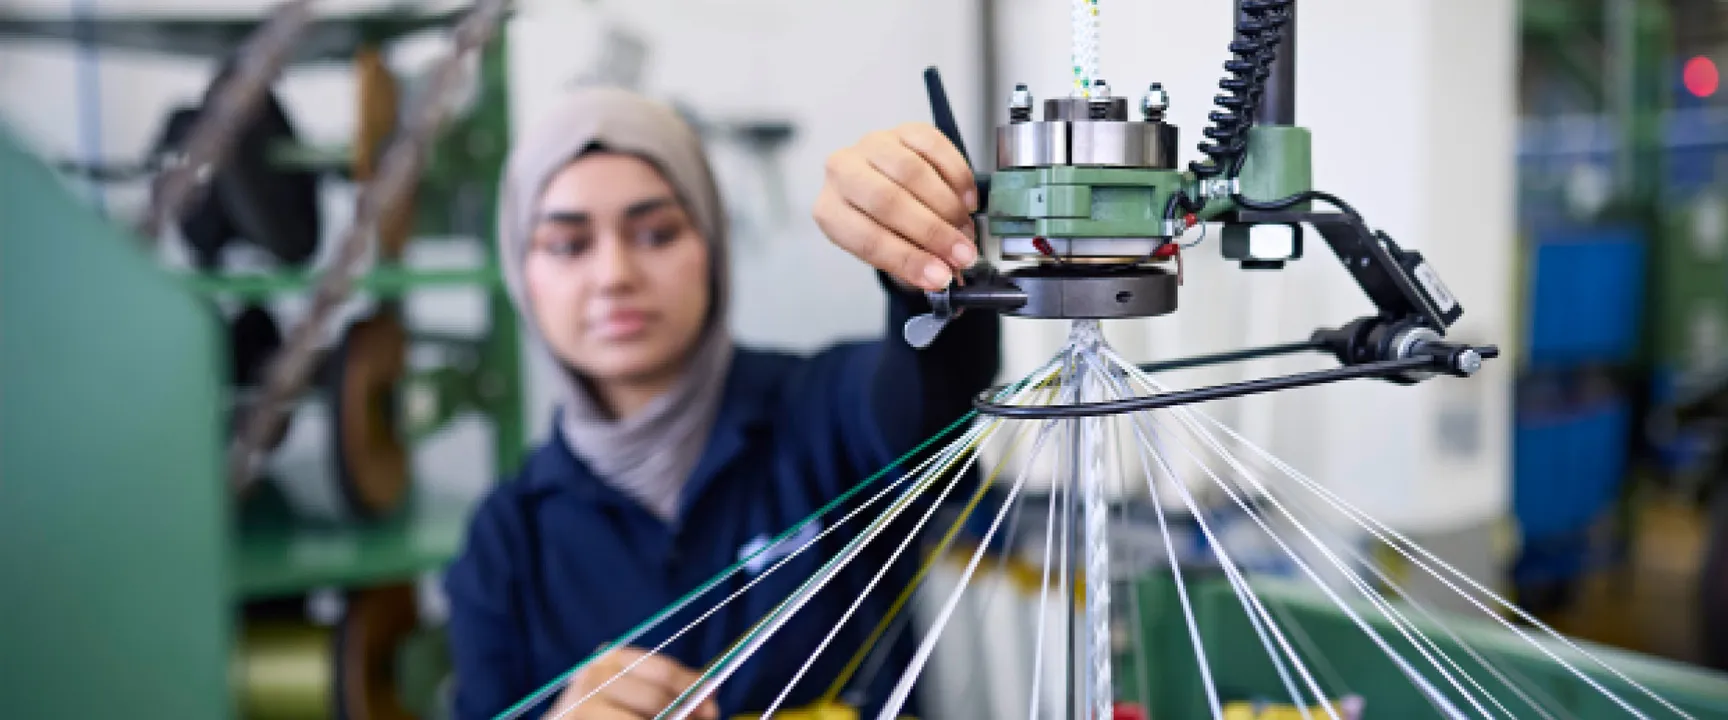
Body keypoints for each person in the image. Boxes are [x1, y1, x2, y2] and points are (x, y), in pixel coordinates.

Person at [444, 86, 1001, 720]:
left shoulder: (822, 416)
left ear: (711, 245)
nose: (614, 274)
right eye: (569, 245)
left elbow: (930, 395)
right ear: (522, 274)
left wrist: (928, 268)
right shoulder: (506, 543)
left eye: (655, 233)